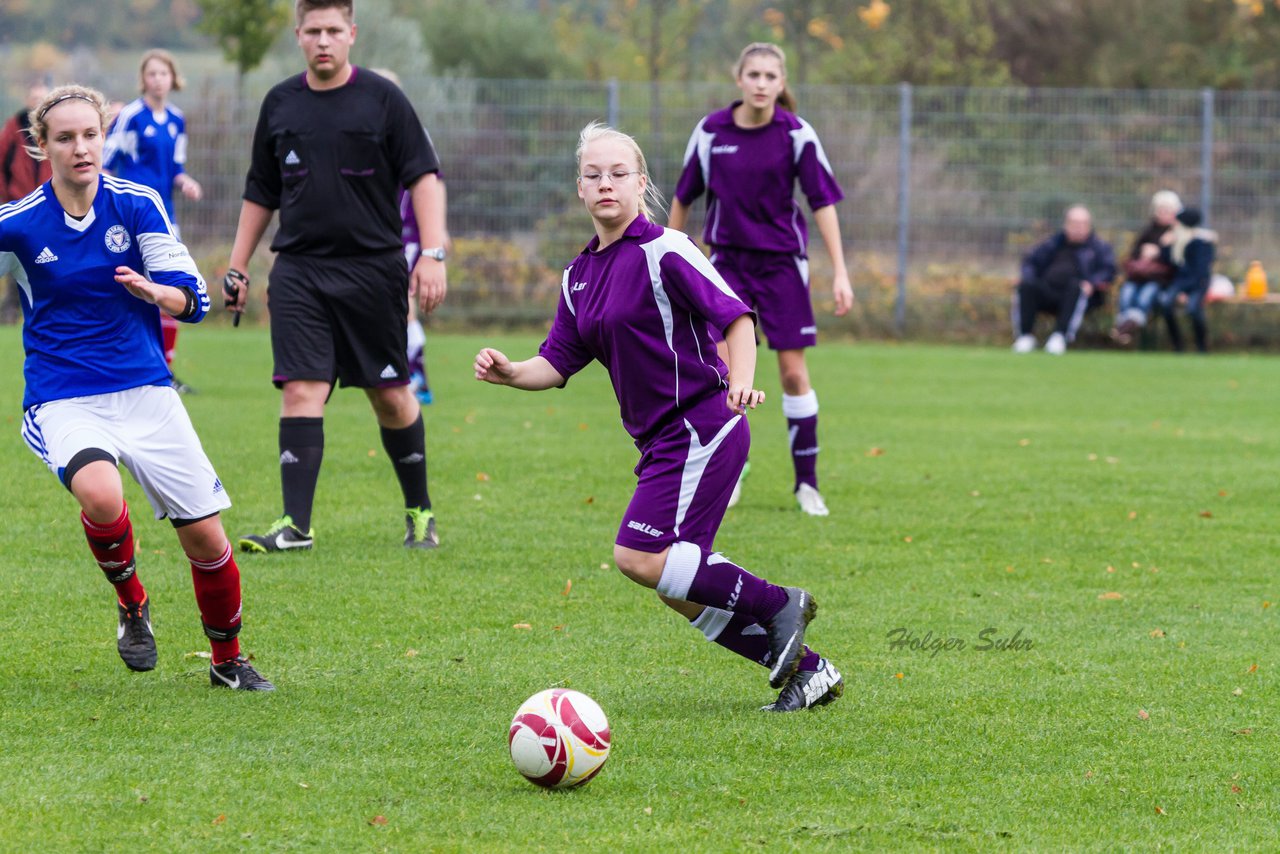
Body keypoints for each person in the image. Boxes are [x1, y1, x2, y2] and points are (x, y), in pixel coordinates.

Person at [474, 122, 843, 712]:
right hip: (661, 443)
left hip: (703, 424)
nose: (606, 184)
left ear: (641, 182)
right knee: (676, 584)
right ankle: (810, 671)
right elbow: (557, 360)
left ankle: (779, 603)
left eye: (619, 174)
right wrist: (511, 371)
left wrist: (742, 383)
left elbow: (737, 318)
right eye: (593, 175)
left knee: (638, 556)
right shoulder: (579, 276)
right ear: (579, 188)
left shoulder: (666, 248)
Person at [1, 84, 272, 690]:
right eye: (65, 138)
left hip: (146, 389)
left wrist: (159, 293)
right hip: (62, 394)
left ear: (105, 138)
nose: (80, 148)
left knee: (207, 537)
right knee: (100, 494)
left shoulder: (137, 204)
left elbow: (194, 297)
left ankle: (227, 662)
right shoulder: (17, 226)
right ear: (43, 147)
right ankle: (132, 604)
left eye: (90, 135)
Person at [225, 0, 448, 552]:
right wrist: (236, 265)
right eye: (312, 31)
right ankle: (295, 526)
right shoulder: (280, 103)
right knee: (300, 388)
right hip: (299, 269)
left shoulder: (384, 99)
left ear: (352, 34)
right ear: (298, 35)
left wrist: (433, 254)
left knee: (391, 396)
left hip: (374, 270)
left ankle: (420, 513)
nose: (323, 40)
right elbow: (261, 191)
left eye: (333, 30)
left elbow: (425, 178)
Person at [668, 42, 853, 518]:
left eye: (771, 76)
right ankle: (732, 471)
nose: (762, 84)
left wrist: (840, 271)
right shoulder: (711, 132)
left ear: (782, 83)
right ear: (739, 79)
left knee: (792, 373)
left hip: (783, 267)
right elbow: (683, 198)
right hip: (726, 266)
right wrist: (668, 258)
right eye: (754, 74)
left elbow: (823, 203)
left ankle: (807, 485)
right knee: (724, 375)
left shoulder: (796, 134)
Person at [104, 50, 204, 394]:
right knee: (128, 288)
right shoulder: (131, 115)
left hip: (164, 217)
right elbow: (107, 160)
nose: (158, 79)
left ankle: (165, 370)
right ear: (143, 79)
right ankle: (124, 363)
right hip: (129, 215)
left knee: (171, 287)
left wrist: (185, 181)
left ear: (173, 78)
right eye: (152, 74)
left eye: (164, 73)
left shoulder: (177, 120)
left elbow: (176, 166)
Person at [1011, 204, 1116, 355]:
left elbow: (1108, 270)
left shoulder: (1099, 248)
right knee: (1026, 285)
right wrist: (1027, 277)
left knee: (1076, 287)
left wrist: (1092, 283)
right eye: (1074, 224)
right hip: (1048, 290)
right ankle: (1025, 337)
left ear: (1089, 226)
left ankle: (1060, 337)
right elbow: (1030, 262)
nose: (1078, 228)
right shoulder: (1052, 244)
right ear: (1066, 224)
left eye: (1082, 224)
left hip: (1078, 294)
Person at [0, 81, 51, 323]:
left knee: (47, 258)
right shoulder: (14, 127)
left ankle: (46, 310)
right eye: (34, 98)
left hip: (48, 207)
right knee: (14, 259)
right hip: (18, 203)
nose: (37, 103)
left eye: (42, 98)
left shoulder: (54, 129)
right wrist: (6, 196)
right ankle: (10, 313)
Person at [1111, 190, 1180, 345]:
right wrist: (1143, 254)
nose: (1164, 213)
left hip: (1159, 281)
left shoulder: (1177, 235)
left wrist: (1160, 249)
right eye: (1161, 209)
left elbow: (1176, 264)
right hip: (1138, 277)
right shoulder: (1148, 232)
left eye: (1168, 210)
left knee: (1145, 296)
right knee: (1126, 293)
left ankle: (1124, 330)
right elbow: (1133, 255)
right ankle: (1125, 328)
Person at [1157, 207, 1217, 354]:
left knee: (1193, 309)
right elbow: (1170, 264)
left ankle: (1201, 347)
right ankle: (1178, 345)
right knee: (1166, 305)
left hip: (1197, 284)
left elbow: (1200, 272)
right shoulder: (1177, 243)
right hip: (1180, 283)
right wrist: (1164, 246)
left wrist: (1185, 293)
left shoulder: (1202, 243)